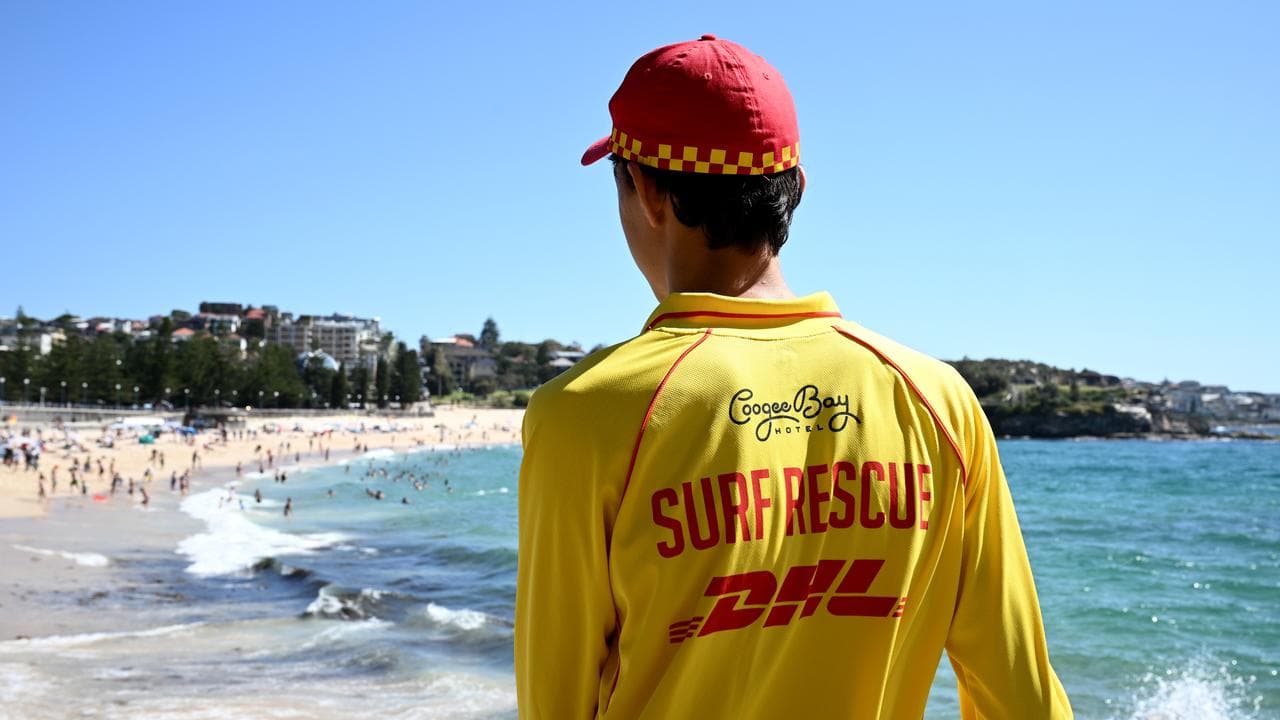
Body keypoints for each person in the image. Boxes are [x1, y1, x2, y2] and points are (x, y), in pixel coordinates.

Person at [515, 35, 1072, 719]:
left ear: (651, 192)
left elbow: (555, 701)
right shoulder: (938, 402)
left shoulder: (586, 413)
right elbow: (1020, 697)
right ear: (794, 190)